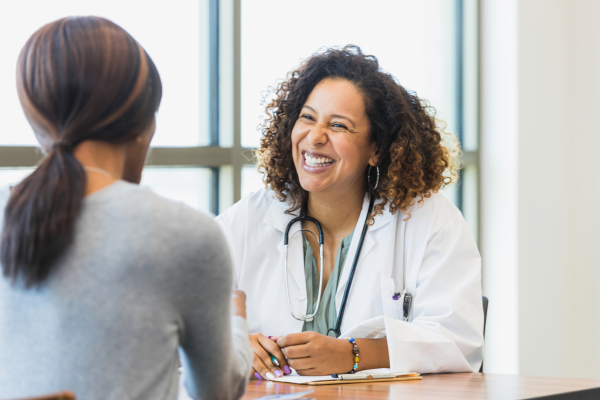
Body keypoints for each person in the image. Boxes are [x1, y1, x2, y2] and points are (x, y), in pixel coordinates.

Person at [0, 17, 251, 400]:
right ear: (145, 125)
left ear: (38, 123)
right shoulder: (184, 233)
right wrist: (235, 321)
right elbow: (216, 392)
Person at [215, 45, 483, 379]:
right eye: (307, 118)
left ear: (375, 148)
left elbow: (457, 341)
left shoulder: (429, 221)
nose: (315, 137)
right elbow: (184, 315)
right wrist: (233, 340)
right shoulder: (248, 219)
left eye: (339, 126)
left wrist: (352, 354)